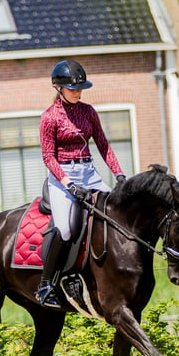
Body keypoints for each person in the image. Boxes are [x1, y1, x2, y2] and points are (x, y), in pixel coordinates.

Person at [35, 59, 127, 306]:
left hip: (89, 171)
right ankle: (46, 284)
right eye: (73, 89)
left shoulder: (89, 111)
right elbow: (48, 157)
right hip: (61, 175)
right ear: (58, 88)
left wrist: (119, 174)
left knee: (117, 213)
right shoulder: (49, 117)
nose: (77, 92)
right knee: (64, 229)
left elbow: (103, 145)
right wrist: (68, 183)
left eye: (80, 88)